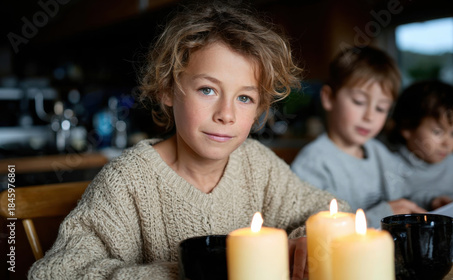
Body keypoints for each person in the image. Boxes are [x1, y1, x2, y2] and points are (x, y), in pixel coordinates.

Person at [28, 2, 350, 279]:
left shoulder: (257, 165)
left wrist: (308, 240)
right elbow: (55, 272)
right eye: (207, 90)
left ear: (260, 109)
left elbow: (333, 212)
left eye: (245, 98)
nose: (226, 114)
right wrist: (186, 271)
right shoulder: (129, 181)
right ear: (168, 90)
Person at [291, 46, 425, 228]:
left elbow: (406, 193)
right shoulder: (313, 164)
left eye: (381, 108)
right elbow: (316, 231)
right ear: (329, 98)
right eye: (359, 102)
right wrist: (382, 214)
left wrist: (431, 202)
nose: (369, 116)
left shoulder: (378, 151)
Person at [383, 80, 453, 210]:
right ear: (407, 128)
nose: (447, 143)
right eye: (437, 132)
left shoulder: (452, 163)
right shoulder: (389, 164)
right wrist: (431, 201)